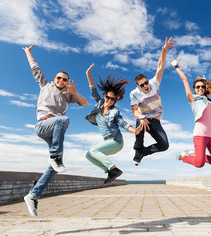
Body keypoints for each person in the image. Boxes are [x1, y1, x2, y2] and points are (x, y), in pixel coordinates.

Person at [22, 44, 88, 217]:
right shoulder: (45, 85)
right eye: (59, 78)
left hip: (55, 130)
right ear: (55, 78)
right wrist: (28, 52)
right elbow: (35, 68)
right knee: (63, 120)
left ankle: (33, 195)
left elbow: (85, 103)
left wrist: (74, 92)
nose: (61, 81)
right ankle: (54, 156)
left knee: (55, 168)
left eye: (64, 80)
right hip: (43, 125)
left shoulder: (68, 95)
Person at [85, 63, 141, 184]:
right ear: (105, 96)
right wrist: (88, 74)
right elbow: (93, 90)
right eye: (108, 97)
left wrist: (134, 130)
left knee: (93, 151)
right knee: (89, 155)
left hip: (116, 141)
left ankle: (114, 169)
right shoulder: (100, 104)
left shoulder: (115, 111)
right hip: (107, 141)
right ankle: (109, 171)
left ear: (115, 100)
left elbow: (123, 123)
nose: (109, 100)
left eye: (113, 99)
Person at [130, 37, 175, 166]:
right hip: (144, 118)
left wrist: (164, 50)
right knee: (140, 121)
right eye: (142, 85)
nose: (146, 86)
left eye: (146, 83)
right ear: (138, 86)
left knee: (164, 145)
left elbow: (160, 66)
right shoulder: (134, 94)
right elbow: (134, 111)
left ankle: (144, 151)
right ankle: (138, 150)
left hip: (155, 120)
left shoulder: (154, 83)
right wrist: (142, 117)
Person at [171, 59, 211, 168]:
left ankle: (196, 154)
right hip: (200, 134)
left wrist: (205, 82)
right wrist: (177, 66)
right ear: (194, 89)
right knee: (199, 164)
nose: (200, 88)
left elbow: (209, 89)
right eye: (198, 87)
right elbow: (185, 79)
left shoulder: (209, 101)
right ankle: (184, 157)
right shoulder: (193, 99)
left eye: (202, 86)